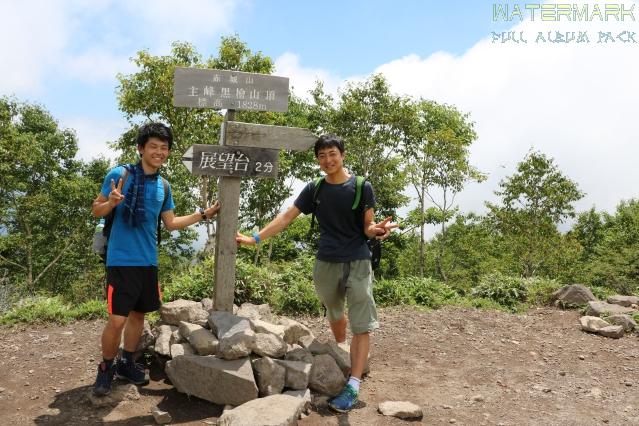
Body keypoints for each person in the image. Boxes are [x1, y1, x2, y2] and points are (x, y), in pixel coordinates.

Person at [236, 134, 397, 412]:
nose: (327, 160)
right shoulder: (315, 189)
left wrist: (377, 231)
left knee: (362, 323)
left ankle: (353, 384)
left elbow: (368, 226)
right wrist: (256, 238)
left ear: (342, 154)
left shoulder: (361, 186)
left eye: (332, 153)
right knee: (334, 311)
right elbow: (287, 217)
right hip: (326, 262)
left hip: (358, 260)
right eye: (322, 155)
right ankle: (340, 348)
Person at [91, 122, 220, 396]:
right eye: (153, 147)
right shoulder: (120, 174)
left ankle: (127, 361)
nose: (159, 152)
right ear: (140, 148)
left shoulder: (164, 185)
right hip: (121, 261)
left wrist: (203, 215)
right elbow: (96, 210)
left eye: (164, 148)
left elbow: (171, 223)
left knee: (138, 315)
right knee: (117, 319)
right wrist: (111, 203)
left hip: (148, 261)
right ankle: (105, 368)